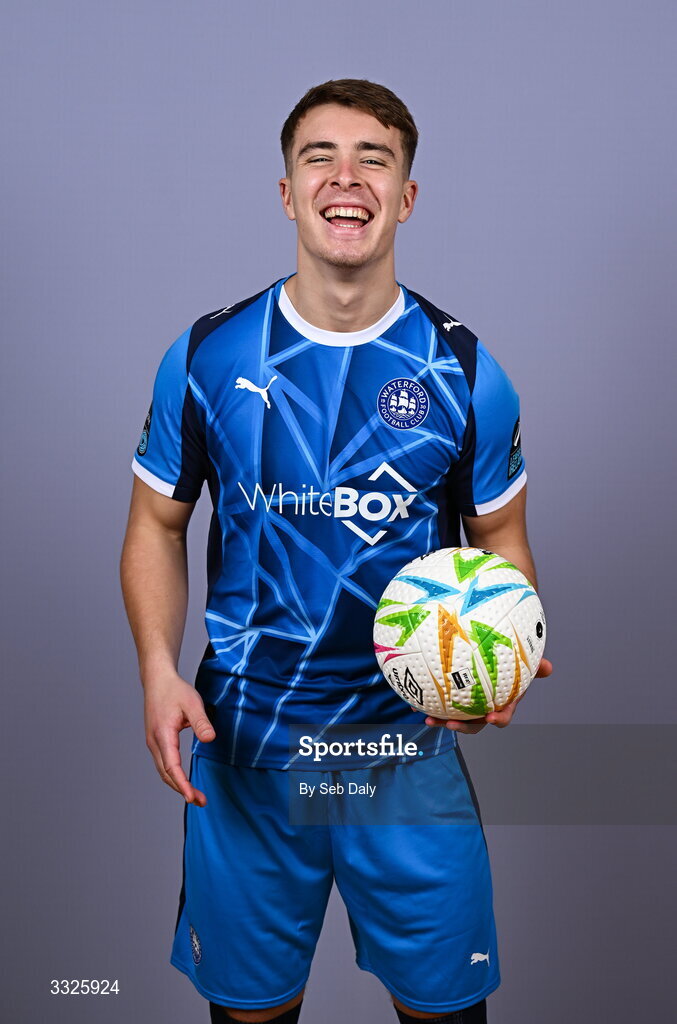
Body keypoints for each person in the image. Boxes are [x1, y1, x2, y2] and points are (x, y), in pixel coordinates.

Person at [120, 78, 552, 1024]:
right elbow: (156, 523)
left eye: (374, 159)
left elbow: (502, 542)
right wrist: (158, 668)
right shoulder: (207, 357)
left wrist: (500, 651)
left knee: (446, 1017)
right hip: (248, 754)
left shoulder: (467, 374)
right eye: (319, 156)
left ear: (405, 196)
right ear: (286, 191)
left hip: (406, 762)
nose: (345, 178)